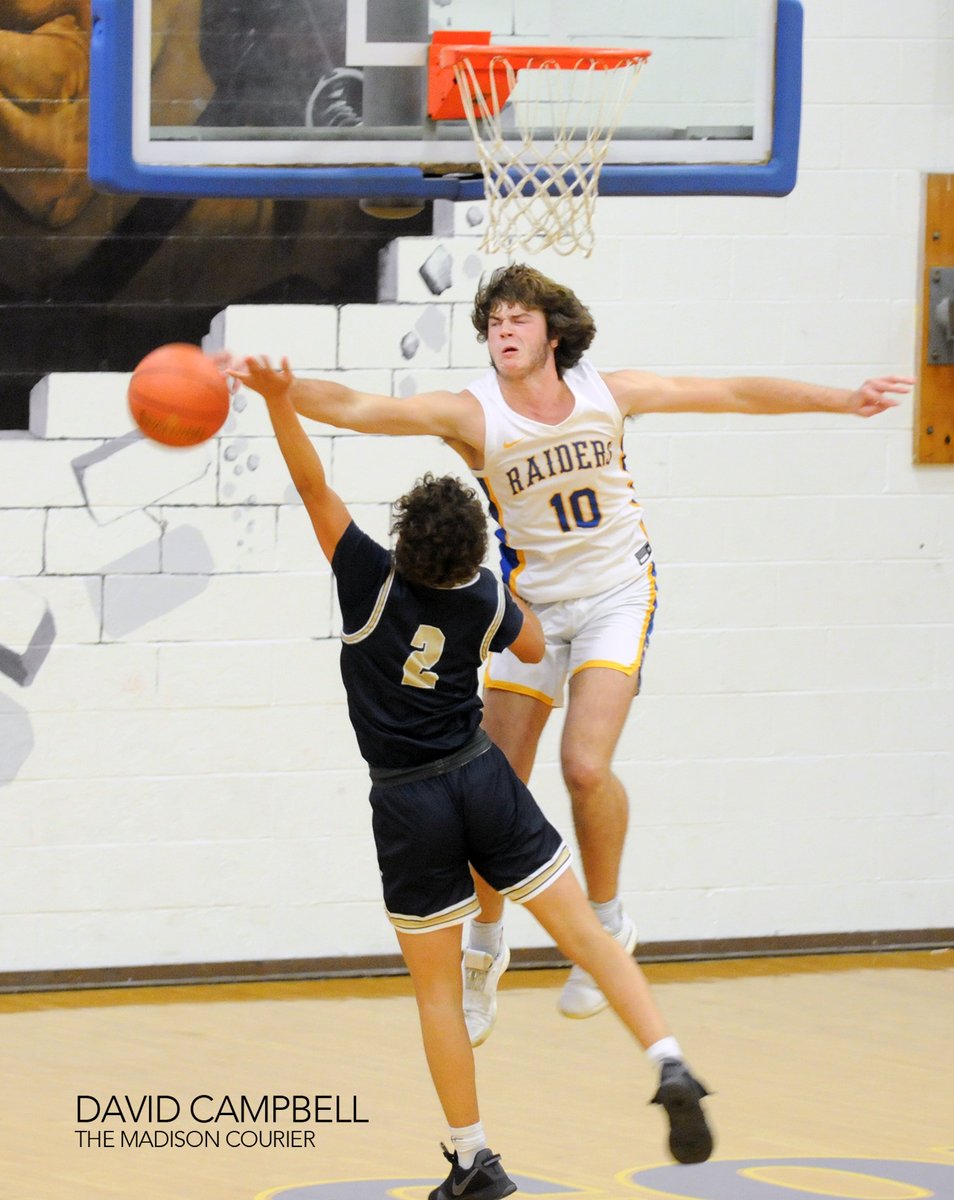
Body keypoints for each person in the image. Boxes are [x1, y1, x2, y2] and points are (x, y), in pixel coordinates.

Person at [229, 264, 914, 1046]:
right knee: (489, 785)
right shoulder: (471, 412)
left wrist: (842, 398)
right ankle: (486, 950)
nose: (504, 330)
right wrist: (275, 388)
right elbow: (361, 408)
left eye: (519, 317)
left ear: (553, 332)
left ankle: (607, 920)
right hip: (530, 611)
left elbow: (729, 392)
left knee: (586, 765)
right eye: (494, 321)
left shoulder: (609, 393)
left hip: (617, 593)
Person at [232, 354, 716, 1197]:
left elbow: (312, 485)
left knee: (436, 997)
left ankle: (473, 1158)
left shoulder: (368, 581)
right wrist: (508, 581)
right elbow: (533, 648)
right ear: (466, 555)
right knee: (589, 936)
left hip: (410, 805)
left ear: (404, 535)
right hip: (484, 779)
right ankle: (668, 1060)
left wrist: (279, 403)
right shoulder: (484, 600)